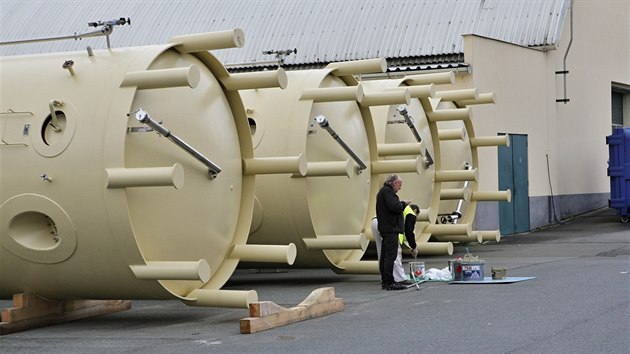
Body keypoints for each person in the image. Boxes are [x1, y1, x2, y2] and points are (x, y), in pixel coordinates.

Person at [375, 174, 410, 291]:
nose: (400, 188)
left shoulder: (383, 192)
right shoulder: (388, 193)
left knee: (385, 256)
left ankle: (386, 281)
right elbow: (395, 207)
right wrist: (404, 204)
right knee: (390, 256)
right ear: (394, 183)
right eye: (399, 185)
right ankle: (389, 282)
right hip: (390, 229)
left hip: (386, 229)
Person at [371, 204, 420, 286]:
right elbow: (409, 232)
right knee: (395, 252)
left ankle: (385, 278)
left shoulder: (402, 208)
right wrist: (414, 247)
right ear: (415, 211)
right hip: (387, 225)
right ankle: (400, 278)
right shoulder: (410, 213)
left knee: (382, 252)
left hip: (375, 222)